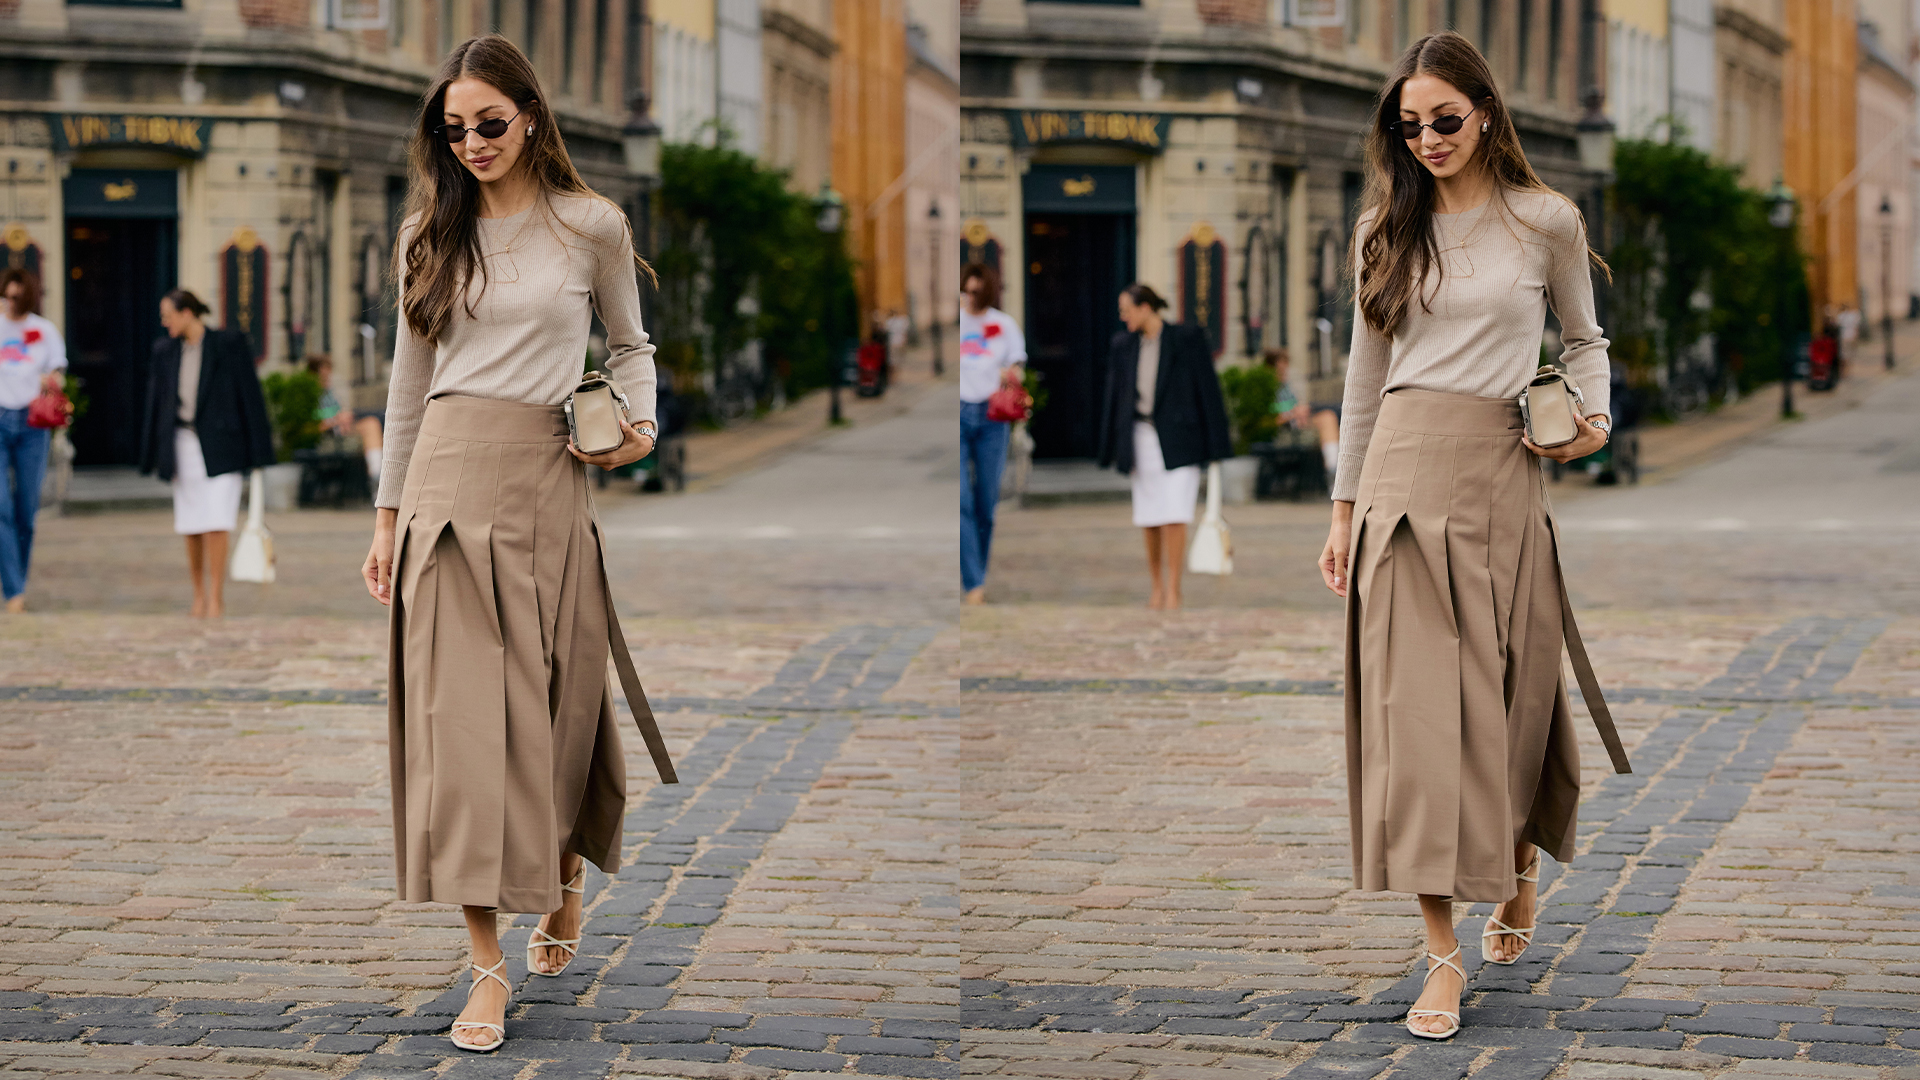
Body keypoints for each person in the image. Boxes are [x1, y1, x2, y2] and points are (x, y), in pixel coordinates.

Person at [359, 34, 669, 1053]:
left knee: (552, 708)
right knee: (459, 731)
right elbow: (409, 384)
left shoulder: (591, 226)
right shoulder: (427, 232)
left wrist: (640, 423)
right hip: (445, 486)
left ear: (530, 116)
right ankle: (485, 965)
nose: (473, 143)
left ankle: (564, 870)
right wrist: (387, 517)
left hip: (546, 479)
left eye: (489, 123)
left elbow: (629, 344)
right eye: (454, 129)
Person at [1317, 32, 1629, 1040]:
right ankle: (1441, 955)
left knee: (1507, 702)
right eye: (1409, 125)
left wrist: (1593, 420)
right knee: (1415, 723)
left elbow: (1585, 339)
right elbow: (1365, 379)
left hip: (1501, 473)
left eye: (1444, 119)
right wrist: (1343, 509)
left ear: (1486, 113)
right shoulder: (1382, 228)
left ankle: (1518, 860)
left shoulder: (1546, 222)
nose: (1428, 139)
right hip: (1401, 482)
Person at [136, 289, 275, 618]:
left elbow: (250, 397)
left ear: (187, 313)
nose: (164, 322)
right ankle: (198, 594)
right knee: (191, 523)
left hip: (223, 445)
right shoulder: (165, 350)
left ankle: (216, 597)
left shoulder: (228, 344)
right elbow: (156, 404)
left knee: (217, 521)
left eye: (168, 315)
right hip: (182, 445)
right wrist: (150, 453)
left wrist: (260, 453)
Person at [1097, 283, 1232, 611]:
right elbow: (1114, 397)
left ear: (1145, 308)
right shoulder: (1123, 345)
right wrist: (1109, 446)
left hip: (1181, 438)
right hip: (1141, 438)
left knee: (1176, 513)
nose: (1123, 317)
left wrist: (1217, 446)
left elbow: (1208, 390)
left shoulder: (1186, 338)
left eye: (1127, 310)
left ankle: (1174, 588)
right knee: (1149, 516)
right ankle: (1156, 586)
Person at [0, 269, 67, 613]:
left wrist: (51, 381)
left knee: (26, 510)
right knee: (1, 508)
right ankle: (14, 591)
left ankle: (18, 581)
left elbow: (58, 371)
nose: (11, 303)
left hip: (32, 422)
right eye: (7, 296)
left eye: (17, 297)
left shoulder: (44, 330)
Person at [958, 263, 1025, 605]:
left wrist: (1009, 374)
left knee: (986, 502)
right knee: (960, 502)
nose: (970, 298)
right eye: (966, 291)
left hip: (991, 414)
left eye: (977, 292)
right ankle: (973, 583)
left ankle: (977, 573)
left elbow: (1018, 366)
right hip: (958, 412)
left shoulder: (1004, 325)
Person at [1262, 347, 1341, 480]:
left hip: (1299, 422)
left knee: (1331, 418)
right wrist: (1293, 414)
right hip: (1286, 429)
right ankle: (1333, 470)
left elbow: (1295, 406)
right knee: (1328, 419)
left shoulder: (1286, 387)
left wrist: (1299, 411)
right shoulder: (1267, 390)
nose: (1284, 371)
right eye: (1281, 368)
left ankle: (1334, 467)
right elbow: (1270, 419)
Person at [305, 354, 385, 482]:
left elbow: (338, 412)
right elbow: (314, 425)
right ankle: (377, 475)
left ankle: (378, 471)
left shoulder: (328, 393)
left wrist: (342, 418)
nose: (327, 378)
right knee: (371, 425)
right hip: (330, 434)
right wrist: (336, 420)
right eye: (324, 375)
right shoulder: (310, 396)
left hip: (342, 427)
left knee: (377, 422)